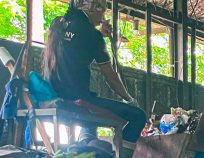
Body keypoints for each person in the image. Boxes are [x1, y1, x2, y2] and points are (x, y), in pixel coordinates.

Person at [42, 0, 146, 143]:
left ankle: (88, 142)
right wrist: (130, 99)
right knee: (138, 116)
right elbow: (111, 78)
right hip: (77, 101)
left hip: (54, 96)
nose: (103, 16)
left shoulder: (59, 25)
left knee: (91, 106)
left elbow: (78, 44)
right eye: (102, 11)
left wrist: (99, 34)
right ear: (92, 10)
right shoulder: (92, 35)